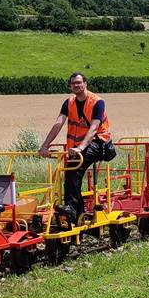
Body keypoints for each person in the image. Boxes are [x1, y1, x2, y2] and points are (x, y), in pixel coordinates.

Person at [38, 72, 112, 223]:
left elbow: (94, 128)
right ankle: (77, 212)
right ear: (70, 86)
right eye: (73, 83)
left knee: (74, 169)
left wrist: (81, 148)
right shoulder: (69, 102)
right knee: (70, 175)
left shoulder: (97, 102)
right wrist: (45, 145)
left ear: (85, 84)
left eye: (79, 82)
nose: (77, 85)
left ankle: (71, 207)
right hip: (77, 147)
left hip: (99, 142)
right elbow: (58, 123)